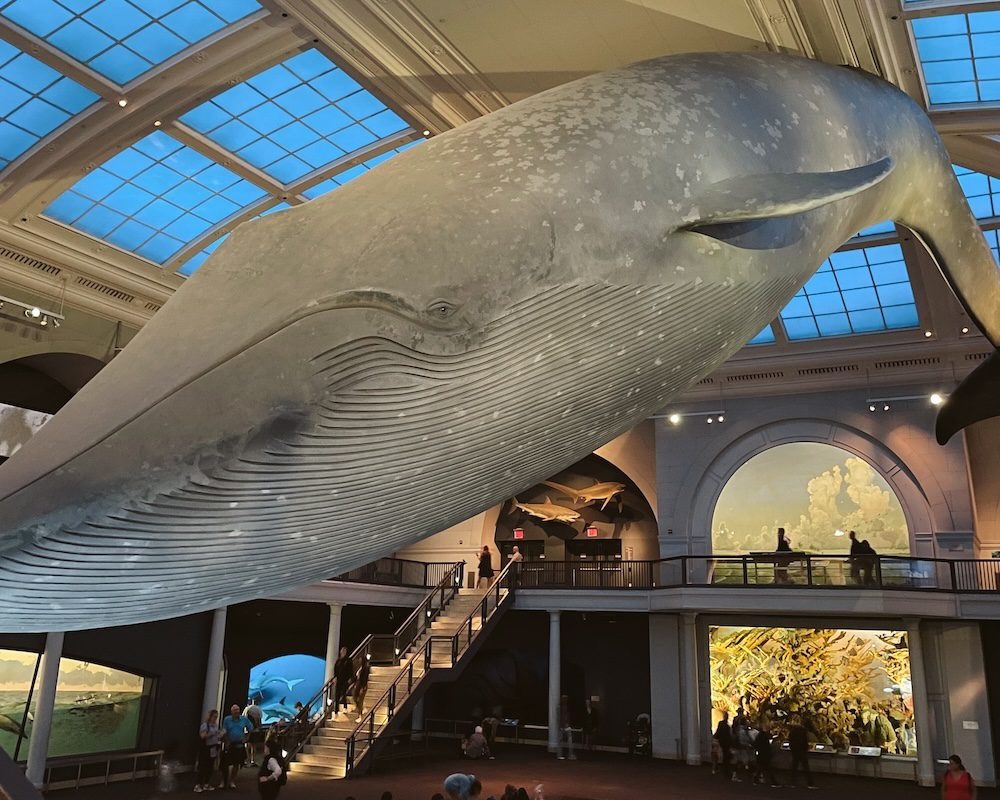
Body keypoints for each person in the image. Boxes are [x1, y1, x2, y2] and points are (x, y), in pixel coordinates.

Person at [220, 704, 254, 790]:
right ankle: (223, 781)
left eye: (238, 710)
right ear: (231, 712)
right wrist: (225, 741)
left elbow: (251, 729)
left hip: (239, 745)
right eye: (235, 710)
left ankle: (232, 781)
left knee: (236, 764)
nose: (237, 712)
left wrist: (247, 738)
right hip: (229, 744)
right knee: (225, 764)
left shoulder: (244, 719)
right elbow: (224, 730)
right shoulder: (227, 719)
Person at [195, 709, 221, 793]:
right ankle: (198, 784)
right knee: (203, 766)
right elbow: (202, 736)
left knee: (210, 767)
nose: (215, 718)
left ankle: (206, 783)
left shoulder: (215, 725)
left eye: (216, 717)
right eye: (214, 717)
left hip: (213, 748)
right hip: (206, 749)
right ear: (210, 717)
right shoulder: (205, 725)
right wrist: (212, 734)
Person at [787, 715, 816, 789]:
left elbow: (790, 741)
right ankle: (810, 783)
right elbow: (805, 741)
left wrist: (792, 749)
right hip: (802, 751)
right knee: (806, 768)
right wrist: (805, 749)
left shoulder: (792, 731)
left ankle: (792, 783)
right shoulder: (803, 730)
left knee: (794, 767)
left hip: (795, 751)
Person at [714, 711, 738, 781]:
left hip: (723, 743)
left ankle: (723, 770)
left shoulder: (721, 724)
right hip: (726, 744)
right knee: (726, 757)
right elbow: (728, 736)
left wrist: (716, 738)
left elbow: (718, 733)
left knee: (725, 757)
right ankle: (726, 771)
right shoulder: (726, 726)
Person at [334, 646, 354, 717]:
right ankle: (336, 711)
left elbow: (351, 670)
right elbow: (335, 670)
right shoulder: (338, 661)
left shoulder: (348, 660)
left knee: (344, 693)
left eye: (344, 651)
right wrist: (335, 678)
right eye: (342, 651)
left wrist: (350, 678)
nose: (343, 652)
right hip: (339, 679)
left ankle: (345, 707)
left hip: (345, 680)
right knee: (337, 695)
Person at [732, 708, 753, 776]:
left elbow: (733, 727)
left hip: (737, 740)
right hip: (742, 741)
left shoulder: (736, 718)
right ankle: (746, 766)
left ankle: (740, 766)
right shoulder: (743, 719)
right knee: (745, 755)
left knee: (739, 756)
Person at [243, 698, 264, 767]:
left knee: (246, 745)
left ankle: (246, 760)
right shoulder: (258, 709)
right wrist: (260, 728)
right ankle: (253, 761)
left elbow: (243, 718)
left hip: (246, 729)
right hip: (255, 730)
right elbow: (259, 720)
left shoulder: (247, 708)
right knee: (253, 745)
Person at [556, 695, 575, 760]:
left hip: (566, 725)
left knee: (566, 741)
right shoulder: (560, 707)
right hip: (564, 725)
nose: (565, 700)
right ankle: (563, 755)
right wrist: (561, 726)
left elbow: (567, 717)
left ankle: (569, 754)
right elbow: (559, 718)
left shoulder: (565, 707)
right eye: (564, 699)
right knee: (563, 740)